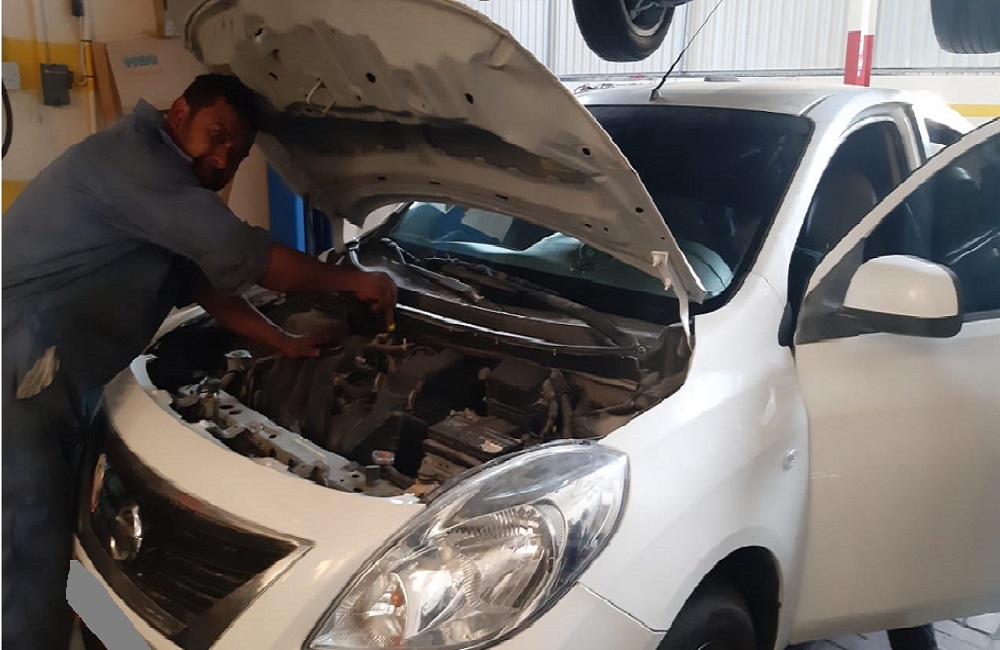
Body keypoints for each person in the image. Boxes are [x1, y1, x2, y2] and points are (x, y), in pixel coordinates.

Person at [1, 73, 397, 649]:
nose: (222, 159)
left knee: (51, 523)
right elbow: (246, 257)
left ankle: (81, 626)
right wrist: (351, 280)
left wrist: (280, 341)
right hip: (18, 368)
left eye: (236, 153)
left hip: (56, 370)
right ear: (180, 112)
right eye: (216, 136)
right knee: (24, 534)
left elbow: (203, 280)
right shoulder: (137, 163)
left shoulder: (168, 184)